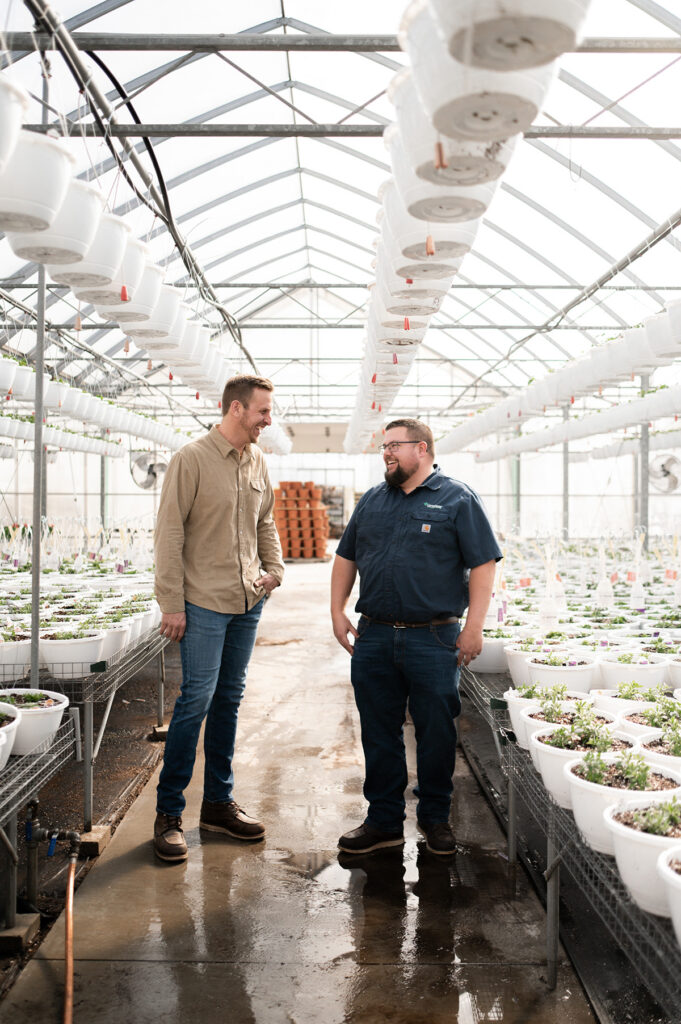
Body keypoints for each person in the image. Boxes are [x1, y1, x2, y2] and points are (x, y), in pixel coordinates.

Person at [331, 418, 501, 856]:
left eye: (394, 446)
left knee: (436, 733)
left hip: (434, 637)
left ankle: (435, 818)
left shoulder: (457, 499)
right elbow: (346, 556)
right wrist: (336, 609)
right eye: (384, 446)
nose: (386, 453)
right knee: (378, 731)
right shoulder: (372, 500)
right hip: (375, 637)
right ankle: (383, 820)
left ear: (421, 449)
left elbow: (483, 564)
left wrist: (474, 627)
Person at [152, 374, 284, 862]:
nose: (268, 421)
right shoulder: (191, 459)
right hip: (203, 601)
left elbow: (264, 519)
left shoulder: (258, 461)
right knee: (195, 703)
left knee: (229, 700)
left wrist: (275, 569)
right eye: (262, 412)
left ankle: (217, 806)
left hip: (247, 600)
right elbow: (168, 534)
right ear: (235, 409)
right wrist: (171, 602)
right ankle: (169, 814)